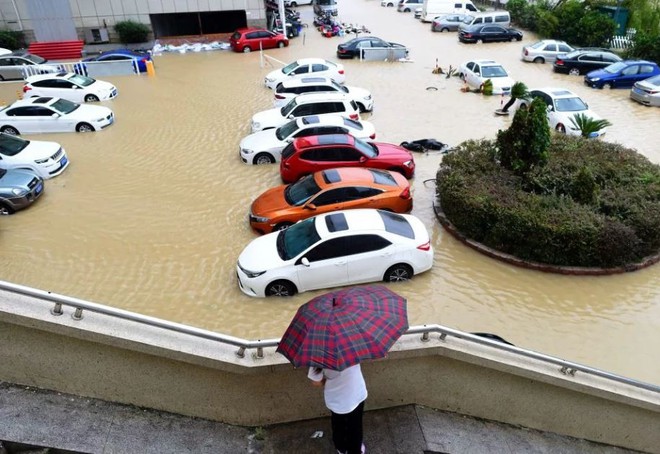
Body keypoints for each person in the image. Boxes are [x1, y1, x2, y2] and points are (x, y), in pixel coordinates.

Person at [308, 364, 367, 454]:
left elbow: (317, 382)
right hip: (356, 394)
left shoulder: (318, 356)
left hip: (336, 399)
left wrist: (327, 379)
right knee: (355, 426)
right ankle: (355, 450)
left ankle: (341, 448)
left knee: (338, 425)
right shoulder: (352, 350)